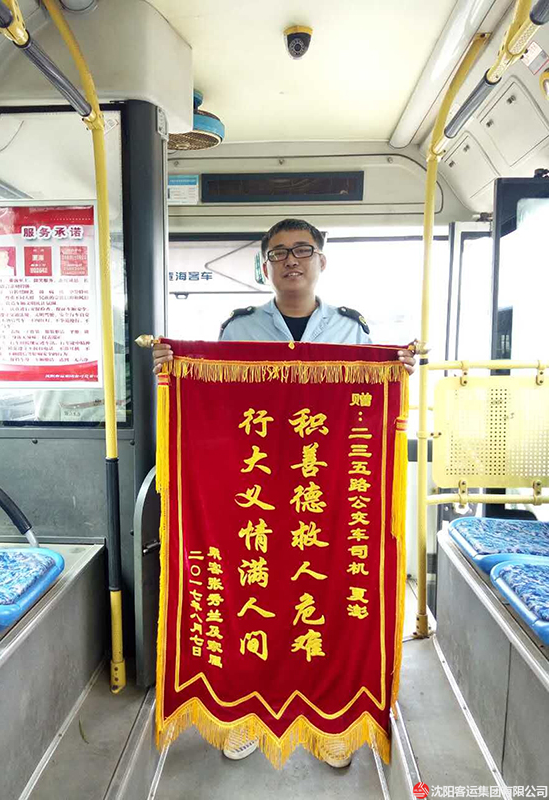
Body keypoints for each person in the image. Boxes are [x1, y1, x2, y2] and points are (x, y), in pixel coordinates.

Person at [152, 218, 415, 767]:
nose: (291, 260)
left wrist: (398, 372)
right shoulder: (238, 329)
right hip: (254, 490)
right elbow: (217, 413)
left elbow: (367, 413)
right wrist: (175, 372)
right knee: (253, 603)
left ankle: (332, 720)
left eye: (302, 250)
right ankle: (244, 715)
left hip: (327, 489)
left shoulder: (352, 330)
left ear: (322, 260)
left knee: (327, 602)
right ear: (265, 266)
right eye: (278, 253)